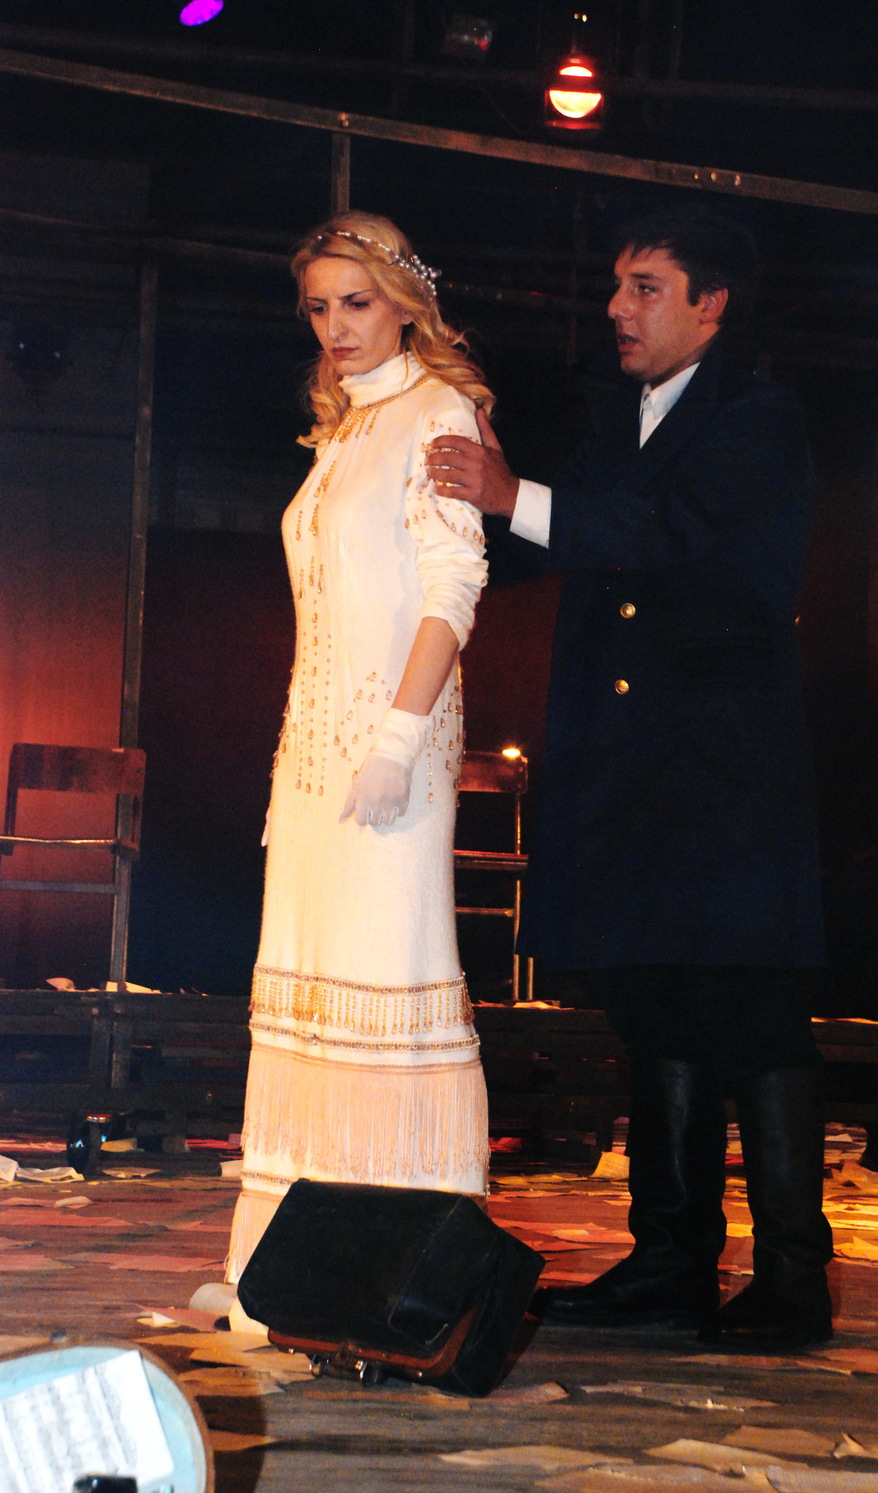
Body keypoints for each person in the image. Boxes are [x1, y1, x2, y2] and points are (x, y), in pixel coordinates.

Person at [424, 206, 833, 1351]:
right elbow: (551, 536)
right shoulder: (619, 417)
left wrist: (512, 494)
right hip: (628, 773)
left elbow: (665, 534)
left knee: (747, 1007)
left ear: (712, 304)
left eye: (646, 286)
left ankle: (794, 1277)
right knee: (654, 1001)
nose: (616, 307)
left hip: (723, 777)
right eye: (616, 284)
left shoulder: (759, 417)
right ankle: (670, 1261)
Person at [225, 211, 492, 1319]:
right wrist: (302, 760)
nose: (335, 326)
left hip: (394, 753)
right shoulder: (342, 427)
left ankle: (402, 1282)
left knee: (388, 988)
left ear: (404, 303)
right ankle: (282, 1273)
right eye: (319, 308)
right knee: (310, 986)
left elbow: (452, 590)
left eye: (357, 302)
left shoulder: (439, 412)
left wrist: (393, 741)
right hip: (313, 758)